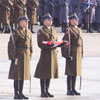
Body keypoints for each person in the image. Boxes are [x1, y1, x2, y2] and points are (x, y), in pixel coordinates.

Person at [8, 16, 33, 99]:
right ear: (20, 22)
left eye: (27, 21)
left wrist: (30, 55)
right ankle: (16, 93)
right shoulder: (17, 32)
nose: (27, 23)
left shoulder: (28, 32)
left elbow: (30, 45)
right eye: (25, 21)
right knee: (17, 75)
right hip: (18, 55)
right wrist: (12, 57)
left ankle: (21, 92)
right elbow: (11, 45)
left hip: (26, 56)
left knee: (23, 75)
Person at [34, 13, 59, 98]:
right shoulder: (41, 31)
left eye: (51, 20)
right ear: (44, 21)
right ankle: (42, 91)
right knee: (43, 73)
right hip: (45, 54)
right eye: (49, 20)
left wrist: (58, 44)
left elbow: (56, 40)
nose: (51, 21)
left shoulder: (54, 31)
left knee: (49, 73)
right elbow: (40, 43)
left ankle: (47, 90)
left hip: (53, 54)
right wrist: (49, 45)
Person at [61, 13, 83, 95]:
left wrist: (81, 53)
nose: (77, 21)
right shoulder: (69, 31)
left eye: (77, 19)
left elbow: (81, 43)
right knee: (70, 72)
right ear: (70, 21)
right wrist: (65, 55)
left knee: (76, 72)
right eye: (75, 20)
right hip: (72, 53)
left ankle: (73, 88)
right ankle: (69, 89)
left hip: (78, 53)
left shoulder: (79, 30)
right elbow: (65, 43)